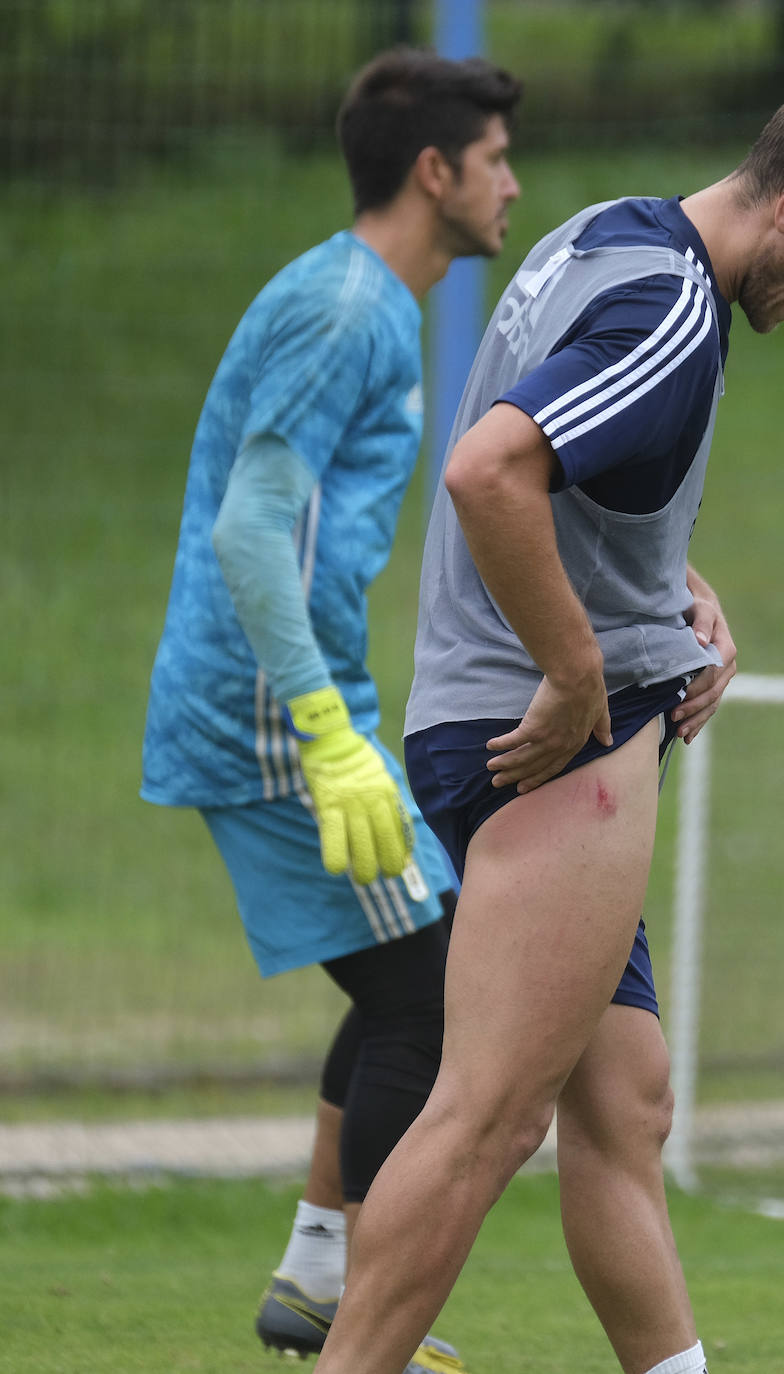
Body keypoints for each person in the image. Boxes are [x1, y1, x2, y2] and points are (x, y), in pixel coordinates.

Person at [312, 75, 784, 1374]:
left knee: (624, 1105)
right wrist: (574, 669)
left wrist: (667, 597)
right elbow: (489, 467)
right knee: (489, 1116)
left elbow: (567, 485)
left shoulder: (613, 234)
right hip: (551, 746)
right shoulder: (671, 303)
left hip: (509, 721)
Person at [139, 47, 522, 1364]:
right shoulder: (342, 308)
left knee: (423, 964)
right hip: (266, 711)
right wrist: (317, 728)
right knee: (432, 996)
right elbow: (252, 531)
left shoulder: (375, 306)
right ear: (435, 171)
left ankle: (317, 1276)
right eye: (495, 161)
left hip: (306, 702)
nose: (511, 185)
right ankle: (367, 1322)